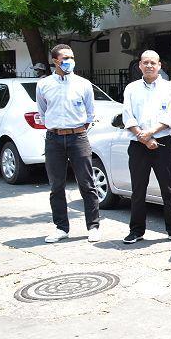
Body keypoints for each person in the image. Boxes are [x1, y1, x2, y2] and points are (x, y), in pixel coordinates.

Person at [37, 44, 101, 243]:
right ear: (55, 60)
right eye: (65, 58)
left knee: (87, 183)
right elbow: (42, 111)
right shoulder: (44, 84)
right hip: (54, 138)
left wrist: (79, 130)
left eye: (71, 57)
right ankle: (61, 227)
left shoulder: (83, 84)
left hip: (78, 137)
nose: (69, 61)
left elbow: (90, 113)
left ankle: (93, 226)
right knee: (56, 185)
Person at [121, 50, 171, 244]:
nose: (149, 66)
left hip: (163, 143)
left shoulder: (169, 88)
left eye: (153, 63)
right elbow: (127, 115)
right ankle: (136, 231)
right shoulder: (131, 88)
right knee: (138, 190)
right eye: (145, 62)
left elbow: (170, 117)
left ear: (159, 66)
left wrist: (149, 133)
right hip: (137, 144)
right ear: (139, 65)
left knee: (168, 190)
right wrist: (142, 137)